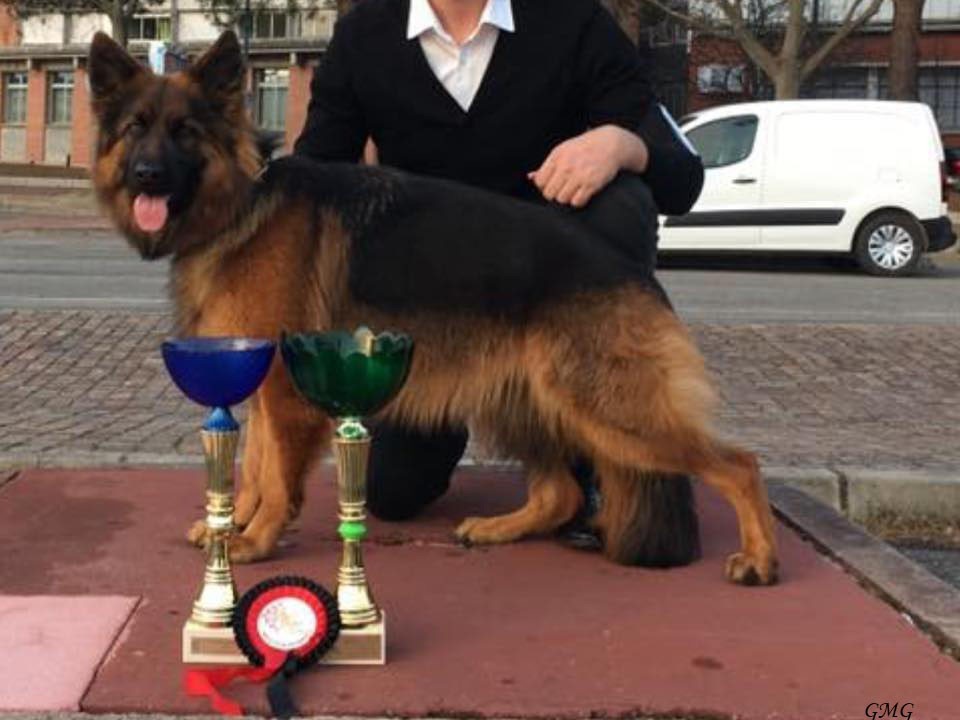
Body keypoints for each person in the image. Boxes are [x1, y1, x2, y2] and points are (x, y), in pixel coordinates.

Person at [295, 0, 705, 566]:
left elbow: (682, 179)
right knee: (390, 493)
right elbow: (316, 175)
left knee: (622, 203)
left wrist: (619, 144)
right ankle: (543, 476)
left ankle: (596, 466)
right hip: (429, 312)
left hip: (552, 300)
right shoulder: (364, 33)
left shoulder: (573, 22)